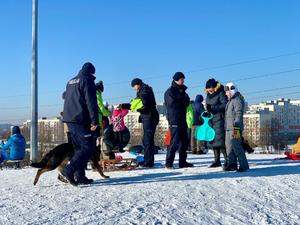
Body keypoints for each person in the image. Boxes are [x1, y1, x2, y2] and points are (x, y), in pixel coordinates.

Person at [62, 62, 99, 185]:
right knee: (87, 147)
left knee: (79, 148)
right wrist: (95, 121)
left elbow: (65, 96)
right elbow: (91, 101)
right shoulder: (87, 80)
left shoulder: (70, 81)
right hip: (80, 118)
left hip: (69, 118)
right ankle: (69, 170)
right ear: (91, 72)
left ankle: (80, 176)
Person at [164, 72, 194, 169]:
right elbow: (172, 104)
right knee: (174, 142)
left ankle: (182, 162)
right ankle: (169, 163)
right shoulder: (170, 91)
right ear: (176, 79)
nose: (183, 80)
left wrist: (184, 101)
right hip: (174, 119)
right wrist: (183, 102)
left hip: (182, 119)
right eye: (182, 79)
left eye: (183, 79)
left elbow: (187, 101)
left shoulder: (183, 91)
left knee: (184, 142)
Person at [131, 78, 159, 167]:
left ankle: (149, 161)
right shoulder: (144, 89)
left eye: (134, 86)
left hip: (149, 117)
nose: (134, 88)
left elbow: (144, 103)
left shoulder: (144, 90)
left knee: (148, 140)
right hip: (148, 116)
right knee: (146, 139)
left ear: (138, 84)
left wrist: (135, 106)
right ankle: (148, 159)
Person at [223, 82, 249, 172]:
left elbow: (239, 112)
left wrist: (237, 124)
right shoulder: (230, 101)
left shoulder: (237, 99)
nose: (226, 93)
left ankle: (243, 165)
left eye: (227, 91)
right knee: (229, 147)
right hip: (228, 128)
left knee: (236, 145)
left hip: (235, 127)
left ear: (231, 90)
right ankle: (232, 164)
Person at [205, 78, 228, 168]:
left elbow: (225, 104)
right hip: (210, 120)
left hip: (219, 120)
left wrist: (213, 108)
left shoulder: (220, 93)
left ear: (214, 87)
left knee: (220, 141)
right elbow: (208, 107)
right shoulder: (208, 95)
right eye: (207, 88)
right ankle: (217, 160)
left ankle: (227, 160)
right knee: (213, 140)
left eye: (211, 87)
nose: (209, 89)